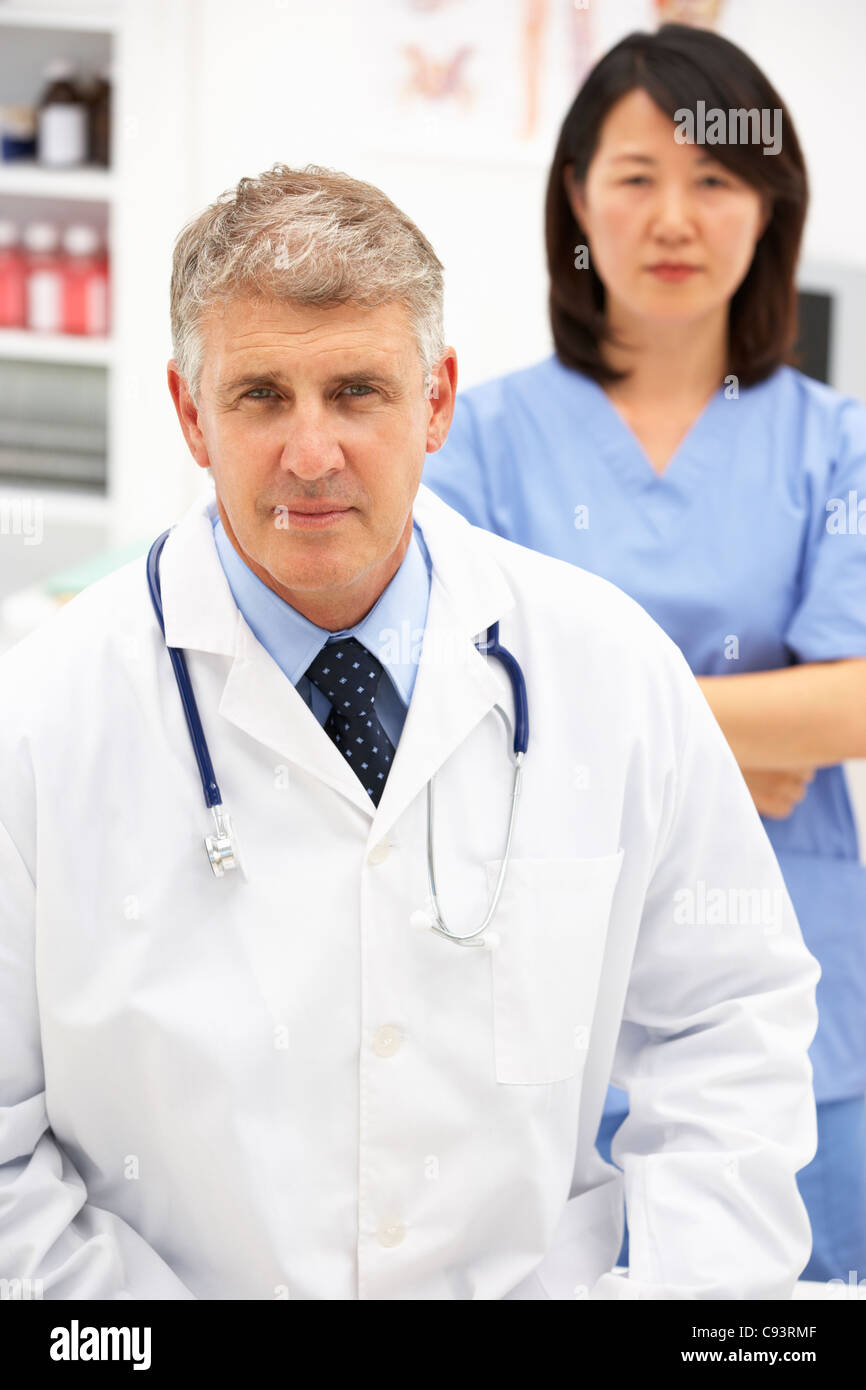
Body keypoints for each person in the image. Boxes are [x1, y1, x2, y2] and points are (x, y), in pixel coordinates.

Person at [0, 163, 820, 1300]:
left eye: (356, 391)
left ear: (434, 400)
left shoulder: (605, 669)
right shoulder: (42, 718)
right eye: (258, 396)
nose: (310, 452)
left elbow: (728, 1023)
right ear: (190, 414)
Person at [422, 23, 866, 1283]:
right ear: (575, 199)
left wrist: (596, 726)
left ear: (768, 207)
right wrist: (753, 734)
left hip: (800, 1002)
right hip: (533, 996)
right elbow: (453, 701)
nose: (674, 215)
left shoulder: (838, 448)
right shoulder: (478, 435)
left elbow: (855, 701)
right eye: (634, 176)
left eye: (716, 179)